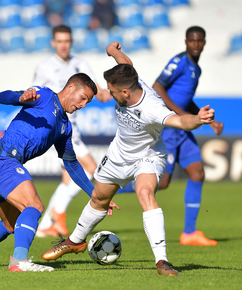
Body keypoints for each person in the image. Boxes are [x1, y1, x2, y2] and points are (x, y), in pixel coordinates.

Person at [40, 41, 215, 276]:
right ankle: (75, 241)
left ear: (125, 92)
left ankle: (162, 261)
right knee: (99, 199)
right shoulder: (129, 81)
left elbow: (181, 121)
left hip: (148, 156)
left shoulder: (152, 106)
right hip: (117, 155)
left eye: (111, 92)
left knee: (145, 193)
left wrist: (198, 118)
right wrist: (112, 51)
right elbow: (126, 63)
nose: (109, 94)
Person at [0, 73, 102, 272]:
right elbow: (2, 96)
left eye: (88, 102)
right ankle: (20, 262)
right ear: (71, 88)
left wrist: (95, 195)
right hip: (2, 160)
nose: (83, 105)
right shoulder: (45, 96)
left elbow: (72, 164)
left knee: (11, 224)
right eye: (83, 98)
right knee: (34, 206)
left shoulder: (65, 126)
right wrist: (19, 98)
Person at [33, 25, 110, 238]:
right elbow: (36, 94)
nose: (63, 45)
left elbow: (95, 87)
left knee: (68, 178)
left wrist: (104, 93)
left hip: (72, 127)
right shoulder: (45, 67)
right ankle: (58, 213)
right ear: (53, 43)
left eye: (67, 41)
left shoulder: (80, 64)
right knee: (93, 169)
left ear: (71, 42)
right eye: (59, 41)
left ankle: (47, 223)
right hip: (59, 127)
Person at [153, 26, 223, 246]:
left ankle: (189, 233)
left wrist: (206, 119)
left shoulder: (196, 69)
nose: (195, 44)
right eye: (192, 40)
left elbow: (186, 100)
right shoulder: (180, 61)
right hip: (172, 128)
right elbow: (157, 86)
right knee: (162, 183)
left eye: (199, 41)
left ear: (204, 43)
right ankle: (109, 186)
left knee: (197, 173)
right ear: (186, 42)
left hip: (184, 128)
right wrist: (182, 116)